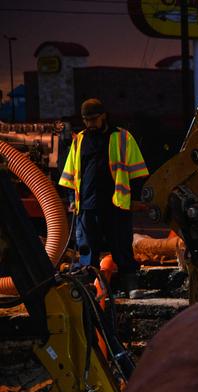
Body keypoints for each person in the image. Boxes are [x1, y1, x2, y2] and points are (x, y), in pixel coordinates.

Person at [59, 98, 149, 296]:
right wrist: (73, 201)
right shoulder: (79, 140)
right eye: (86, 120)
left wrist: (134, 198)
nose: (90, 124)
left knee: (121, 246)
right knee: (87, 250)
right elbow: (69, 174)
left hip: (116, 203)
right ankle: (87, 288)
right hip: (87, 205)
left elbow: (137, 173)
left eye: (93, 119)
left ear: (103, 116)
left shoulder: (122, 137)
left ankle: (130, 285)